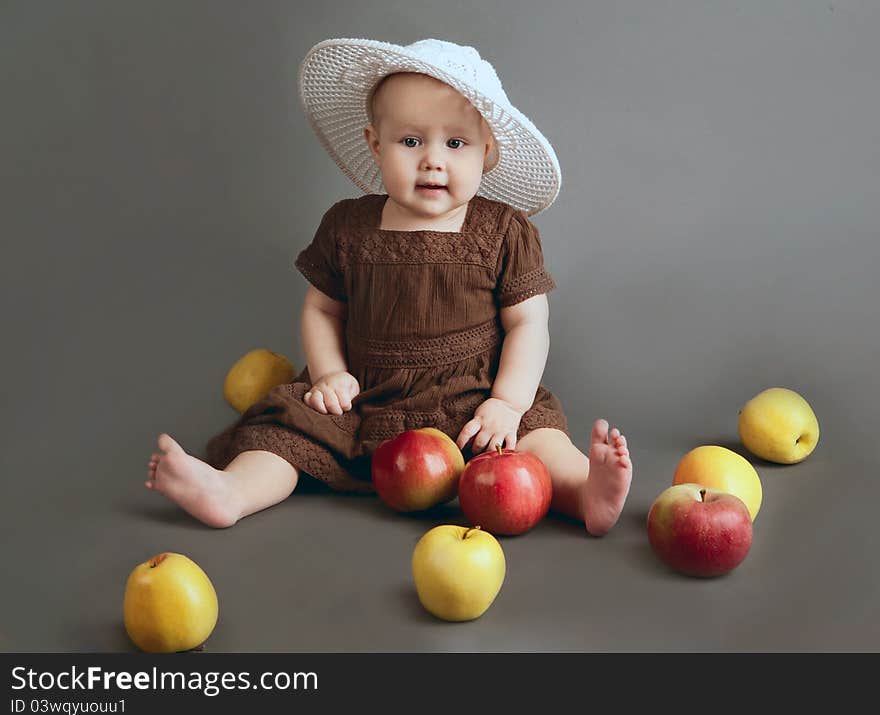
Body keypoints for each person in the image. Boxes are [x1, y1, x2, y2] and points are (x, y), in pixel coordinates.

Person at [145, 38, 632, 535]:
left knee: (536, 440)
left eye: (456, 143)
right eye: (411, 141)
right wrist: (330, 374)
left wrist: (507, 402)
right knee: (284, 433)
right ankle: (231, 492)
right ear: (376, 143)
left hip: (473, 399)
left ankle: (585, 492)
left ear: (487, 152)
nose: (432, 161)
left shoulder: (503, 230)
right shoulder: (348, 226)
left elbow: (529, 322)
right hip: (363, 399)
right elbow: (322, 311)